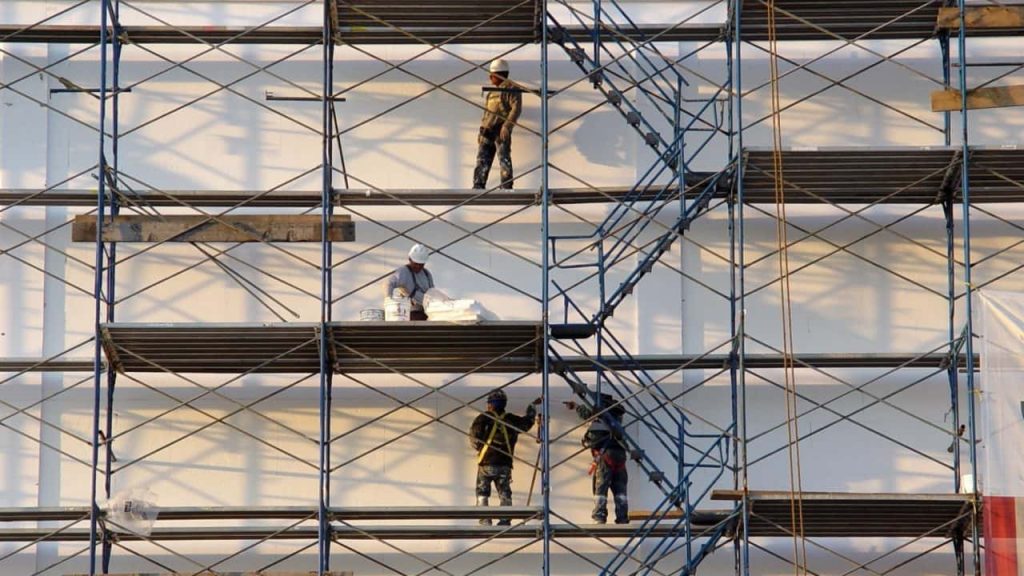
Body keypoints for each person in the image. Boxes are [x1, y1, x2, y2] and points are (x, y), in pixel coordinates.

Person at [470, 389, 540, 525]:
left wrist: (481, 449)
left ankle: (485, 520)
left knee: (482, 491)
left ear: (490, 404)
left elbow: (474, 436)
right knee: (504, 492)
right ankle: (505, 520)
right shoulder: (511, 419)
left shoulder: (483, 418)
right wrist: (532, 406)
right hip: (504, 464)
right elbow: (527, 422)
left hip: (486, 462)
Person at [564, 393, 629, 524]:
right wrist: (576, 406)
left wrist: (576, 407)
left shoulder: (600, 418)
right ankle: (622, 517)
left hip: (605, 456)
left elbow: (589, 425)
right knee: (620, 488)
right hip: (620, 456)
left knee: (601, 487)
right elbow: (588, 414)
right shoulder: (616, 419)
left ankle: (599, 516)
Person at [473, 58, 522, 190]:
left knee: (503, 156)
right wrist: (481, 129)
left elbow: (516, 109)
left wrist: (507, 126)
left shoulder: (512, 89)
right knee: (483, 158)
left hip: (500, 129)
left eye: (492, 75)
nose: (490, 78)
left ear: (499, 74)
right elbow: (487, 112)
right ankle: (478, 184)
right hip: (487, 129)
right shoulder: (492, 91)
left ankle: (506, 184)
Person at [384, 244, 434, 320]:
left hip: (426, 313)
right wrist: (389, 302)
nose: (418, 266)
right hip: (410, 314)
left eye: (421, 265)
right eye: (416, 263)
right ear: (410, 259)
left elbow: (432, 292)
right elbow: (388, 284)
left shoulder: (427, 274)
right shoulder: (404, 272)